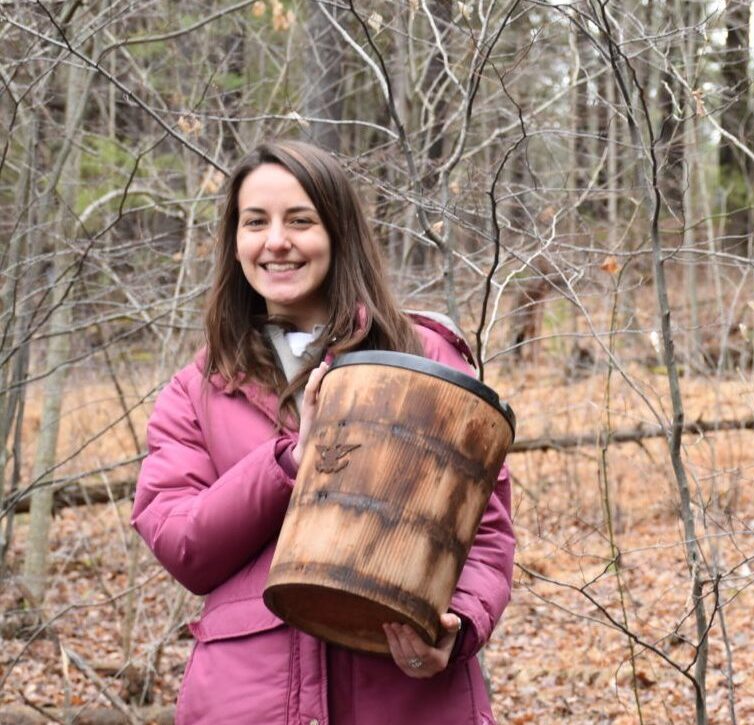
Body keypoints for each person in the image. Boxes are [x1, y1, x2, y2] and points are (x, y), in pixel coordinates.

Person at [131, 140, 514, 724]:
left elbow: (485, 533)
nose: (276, 241)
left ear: (338, 232)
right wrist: (292, 461)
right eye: (255, 222)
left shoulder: (421, 355)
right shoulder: (199, 389)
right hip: (247, 701)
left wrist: (454, 627)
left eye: (300, 221)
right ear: (235, 243)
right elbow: (183, 545)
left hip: (404, 697)